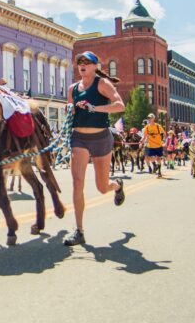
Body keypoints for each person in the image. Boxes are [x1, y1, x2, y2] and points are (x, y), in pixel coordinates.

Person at [64, 51, 126, 246]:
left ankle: (116, 185)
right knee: (77, 182)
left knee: (102, 187)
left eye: (86, 62)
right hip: (79, 138)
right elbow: (71, 109)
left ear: (95, 66)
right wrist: (71, 109)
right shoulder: (73, 88)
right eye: (79, 62)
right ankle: (79, 231)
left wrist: (94, 108)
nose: (82, 65)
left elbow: (119, 105)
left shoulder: (102, 84)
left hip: (100, 137)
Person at [142, 113, 165, 178]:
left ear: (153, 118)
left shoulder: (158, 126)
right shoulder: (147, 127)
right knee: (150, 158)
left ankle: (159, 172)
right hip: (150, 146)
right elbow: (145, 136)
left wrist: (163, 140)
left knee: (159, 159)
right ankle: (155, 165)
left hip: (158, 145)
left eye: (150, 118)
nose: (149, 119)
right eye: (148, 118)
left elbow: (164, 133)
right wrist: (142, 142)